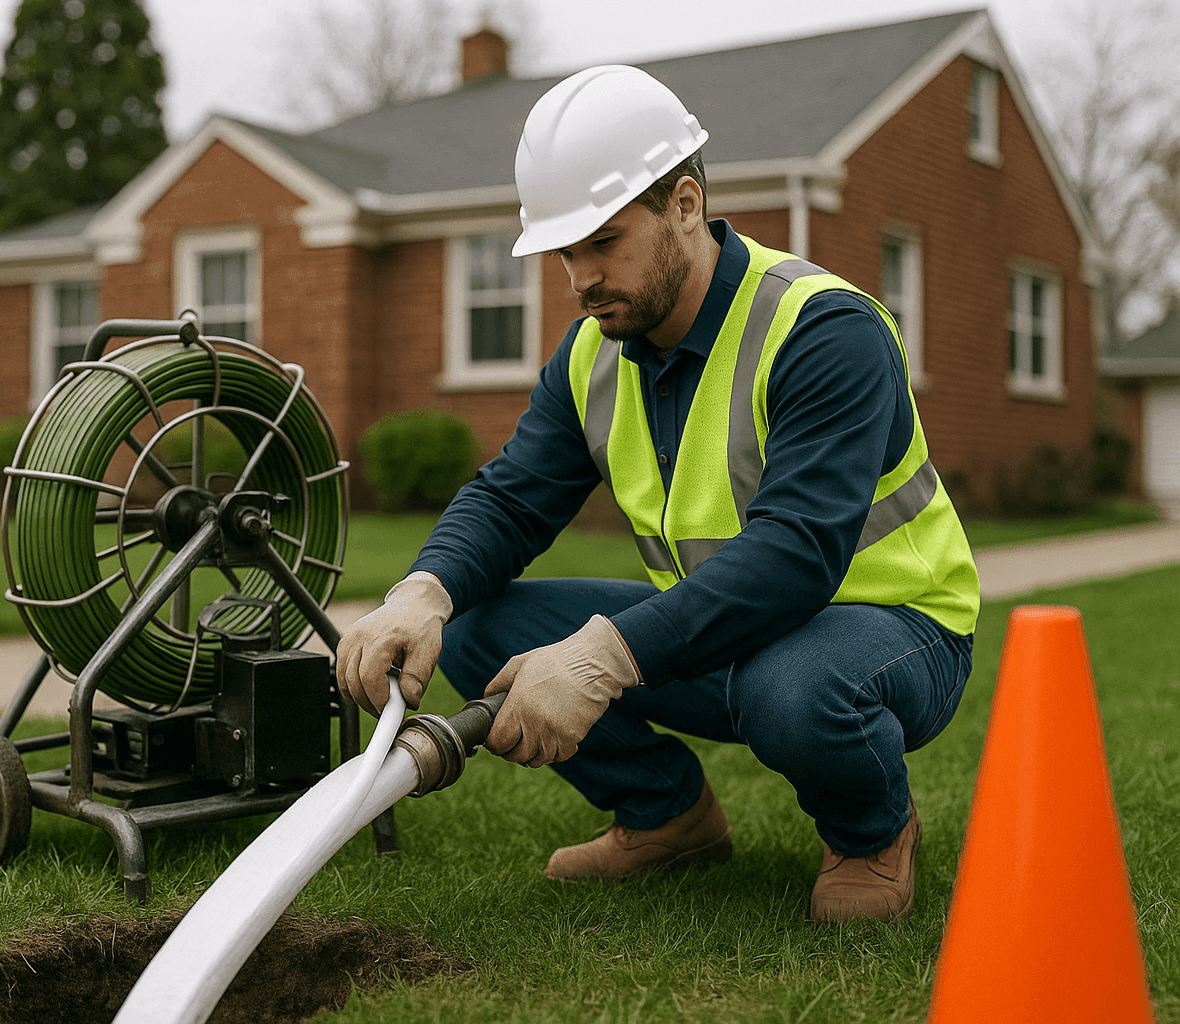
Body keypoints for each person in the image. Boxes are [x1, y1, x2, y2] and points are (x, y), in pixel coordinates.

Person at [336, 65, 979, 924]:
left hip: (891, 631)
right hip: (726, 635)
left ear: (684, 204)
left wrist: (598, 659)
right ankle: (668, 817)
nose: (579, 277)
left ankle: (872, 833)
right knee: (480, 622)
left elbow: (795, 557)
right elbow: (511, 499)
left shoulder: (825, 330)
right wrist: (423, 593)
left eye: (603, 242)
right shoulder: (592, 353)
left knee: (792, 687)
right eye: (565, 252)